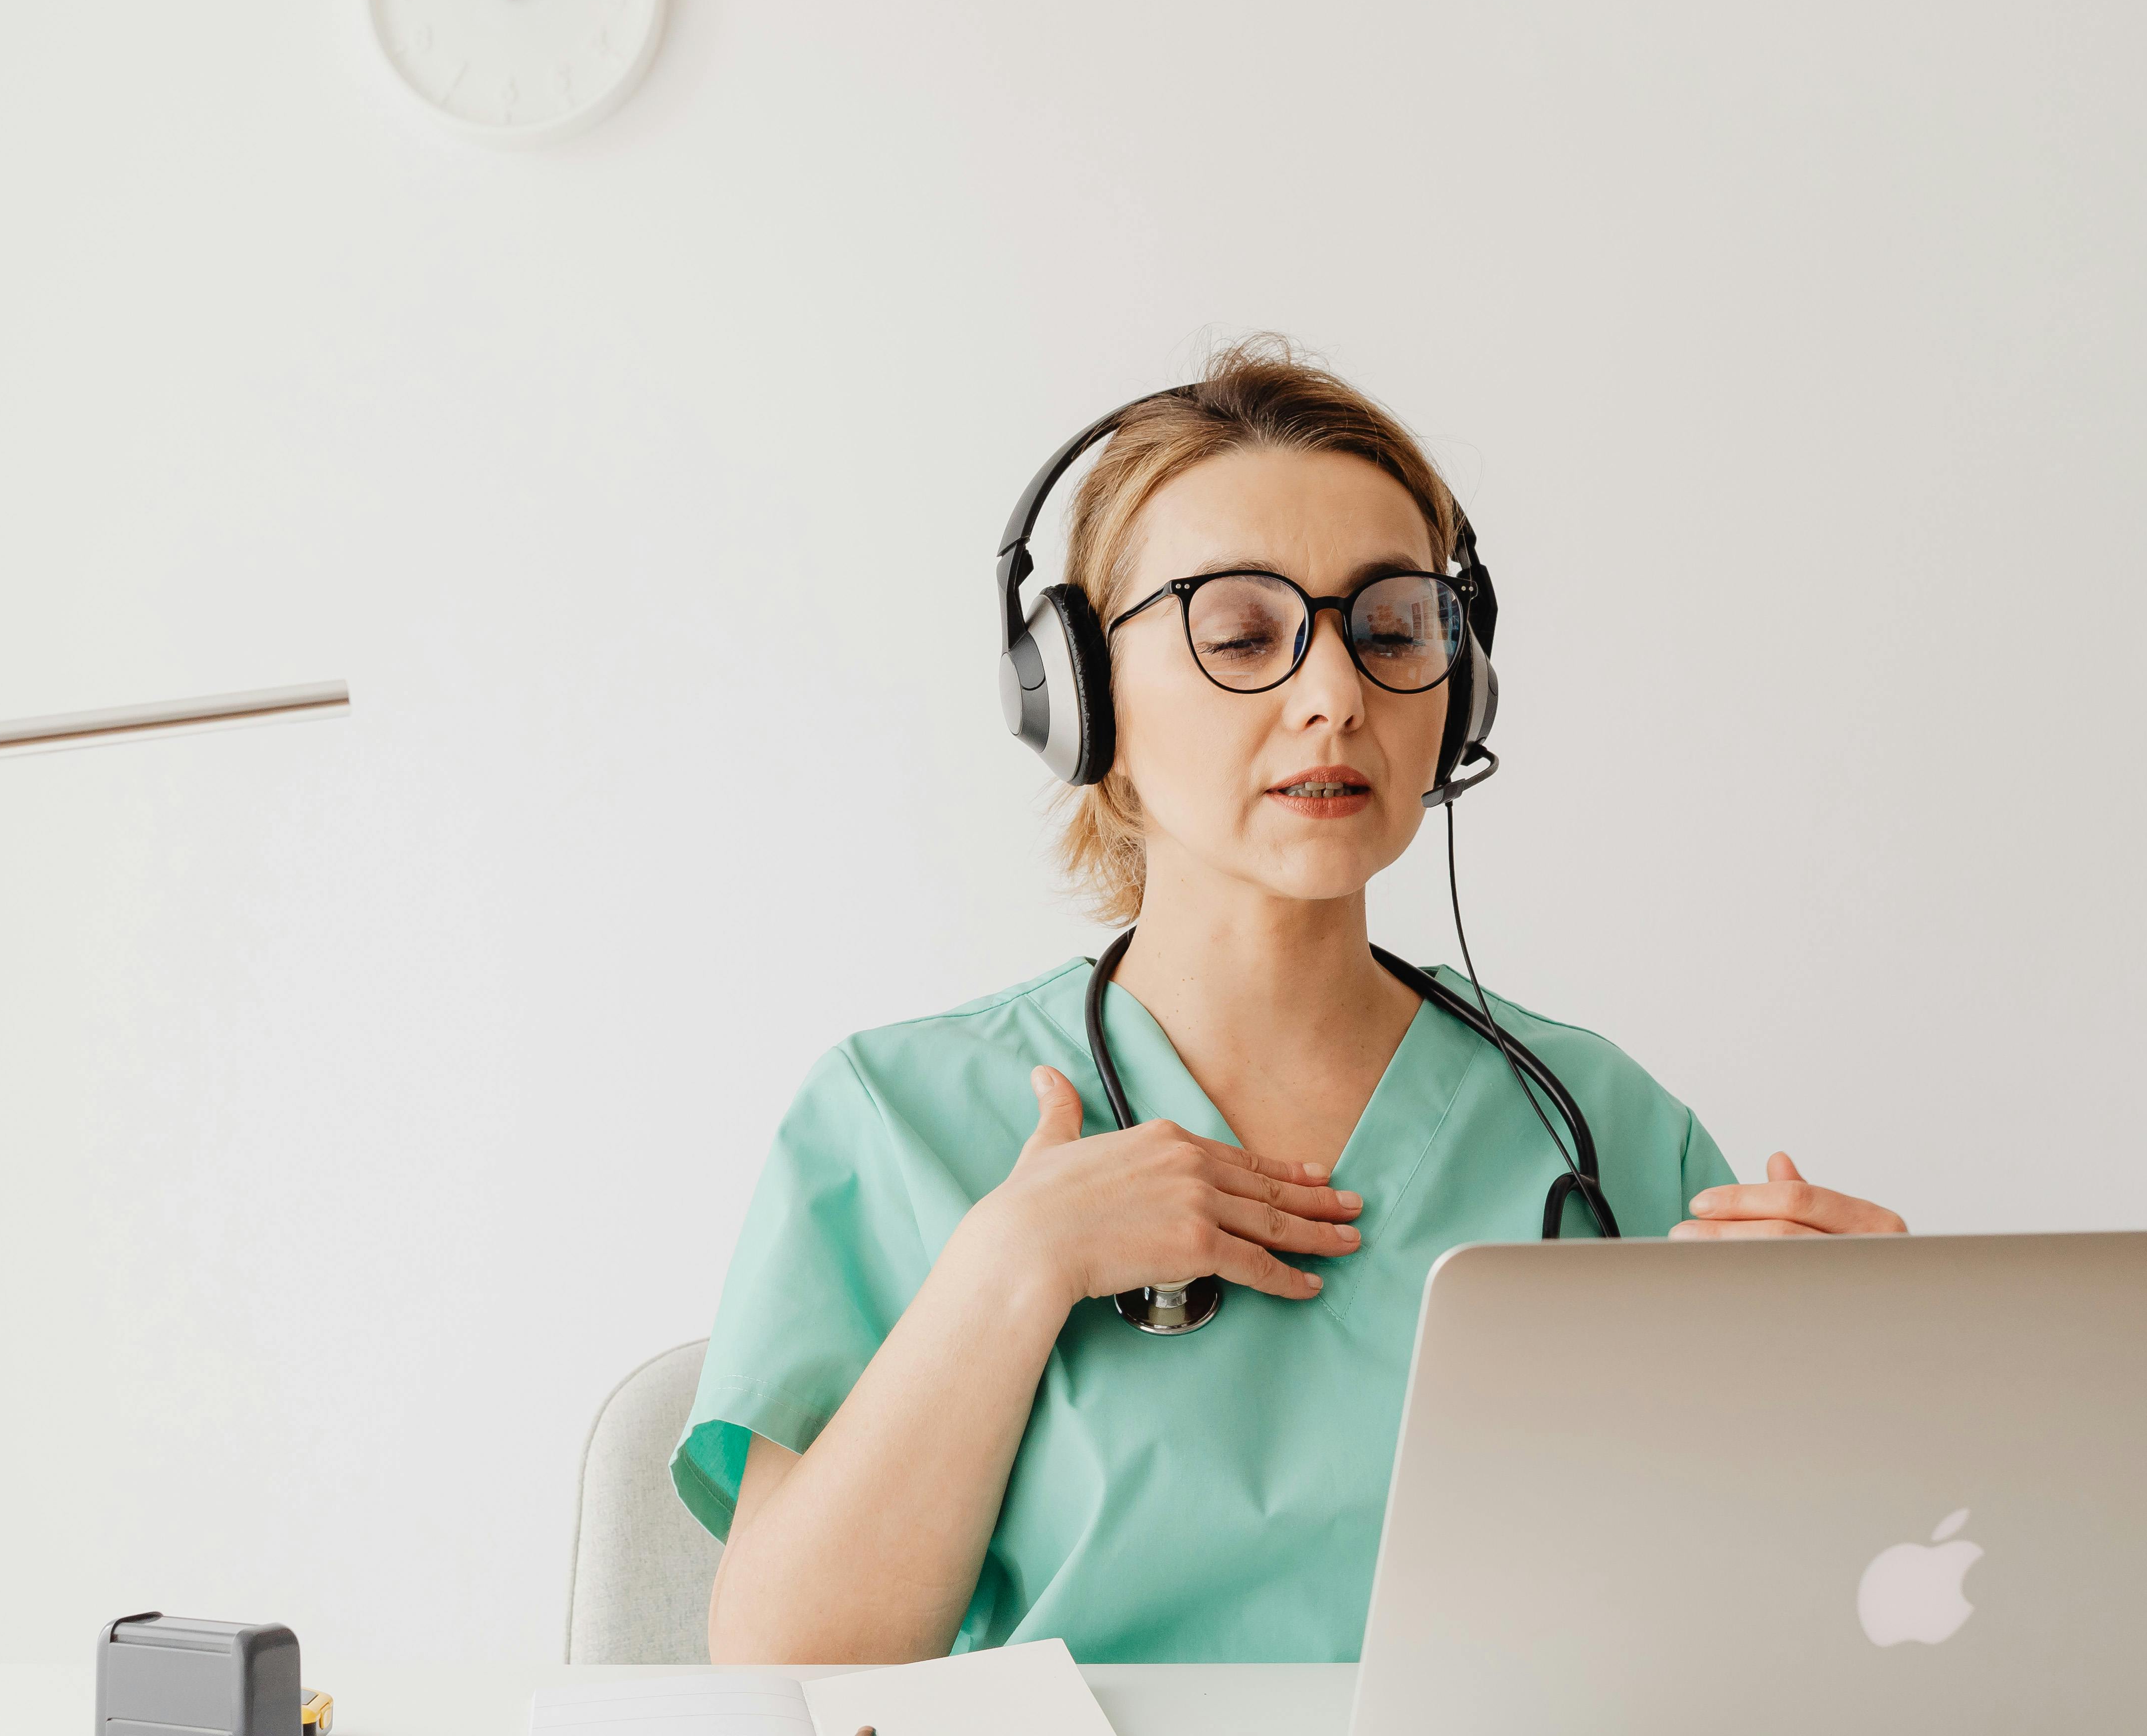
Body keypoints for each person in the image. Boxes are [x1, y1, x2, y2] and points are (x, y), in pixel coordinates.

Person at [680, 341, 1905, 1665]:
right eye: (1241, 634)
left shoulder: (1599, 1127)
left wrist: (1853, 1396)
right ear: (1079, 696)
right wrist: (1016, 1266)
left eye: (1390, 631)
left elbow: (1764, 1644)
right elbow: (784, 1674)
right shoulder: (899, 1118)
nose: (1334, 699)